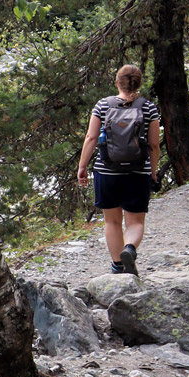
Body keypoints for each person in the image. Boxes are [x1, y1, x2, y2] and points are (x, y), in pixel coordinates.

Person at [76, 63, 163, 274]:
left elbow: (91, 137)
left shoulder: (102, 105)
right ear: (139, 82)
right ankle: (130, 248)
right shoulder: (149, 107)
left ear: (117, 82)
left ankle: (118, 265)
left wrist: (82, 166)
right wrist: (152, 171)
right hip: (137, 172)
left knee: (112, 221)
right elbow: (154, 145)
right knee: (135, 221)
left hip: (106, 171)